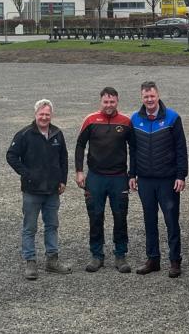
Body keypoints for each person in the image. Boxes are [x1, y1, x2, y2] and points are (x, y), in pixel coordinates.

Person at [6, 98, 72, 280]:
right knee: (30, 227)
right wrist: (26, 174)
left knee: (52, 225)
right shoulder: (24, 134)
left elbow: (63, 159)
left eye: (47, 114)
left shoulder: (57, 133)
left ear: (52, 115)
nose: (44, 117)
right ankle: (31, 262)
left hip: (52, 190)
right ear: (35, 114)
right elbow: (11, 156)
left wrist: (62, 180)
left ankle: (52, 259)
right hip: (32, 191)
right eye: (41, 114)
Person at [128, 81, 188, 278]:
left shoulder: (172, 118)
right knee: (149, 220)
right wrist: (132, 174)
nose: (149, 100)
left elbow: (181, 149)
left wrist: (181, 175)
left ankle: (174, 261)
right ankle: (153, 259)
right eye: (146, 97)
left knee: (171, 220)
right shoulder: (135, 119)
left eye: (152, 96)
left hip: (167, 180)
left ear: (158, 95)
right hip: (145, 179)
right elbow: (133, 150)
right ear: (142, 98)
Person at [75, 87, 134, 273]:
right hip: (95, 177)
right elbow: (79, 144)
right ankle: (97, 255)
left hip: (118, 178)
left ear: (117, 101)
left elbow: (135, 148)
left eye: (112, 102)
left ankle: (120, 255)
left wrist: (133, 174)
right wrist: (79, 171)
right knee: (95, 216)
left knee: (120, 216)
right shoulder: (90, 120)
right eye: (106, 102)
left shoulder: (126, 122)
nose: (109, 105)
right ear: (101, 101)